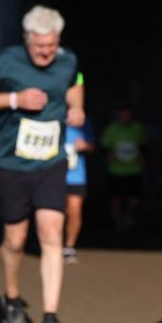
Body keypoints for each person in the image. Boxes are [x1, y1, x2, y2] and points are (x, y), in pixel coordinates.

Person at [0, 5, 85, 323]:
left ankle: (49, 318)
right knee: (16, 240)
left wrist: (77, 107)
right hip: (10, 162)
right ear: (26, 39)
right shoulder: (3, 61)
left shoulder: (67, 60)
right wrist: (15, 98)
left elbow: (75, 81)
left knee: (51, 233)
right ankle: (13, 300)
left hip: (50, 161)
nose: (46, 52)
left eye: (51, 45)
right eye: (39, 47)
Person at [100, 103, 146, 234]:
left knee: (134, 200)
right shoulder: (112, 129)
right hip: (116, 170)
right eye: (122, 115)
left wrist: (143, 160)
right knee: (116, 199)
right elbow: (104, 147)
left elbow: (144, 146)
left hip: (134, 170)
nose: (124, 118)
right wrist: (108, 156)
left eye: (127, 115)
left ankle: (129, 218)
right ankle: (118, 226)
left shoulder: (137, 128)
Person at [63, 85, 95, 263]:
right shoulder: (51, 119)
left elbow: (92, 145)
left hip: (76, 175)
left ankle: (69, 246)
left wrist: (85, 145)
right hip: (53, 175)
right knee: (55, 214)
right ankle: (52, 244)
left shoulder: (84, 122)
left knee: (74, 211)